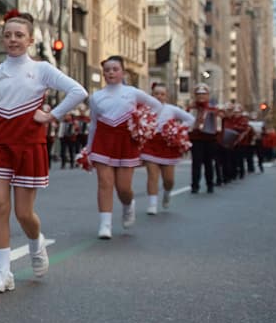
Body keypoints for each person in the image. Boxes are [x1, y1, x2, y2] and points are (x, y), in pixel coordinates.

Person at [0, 10, 86, 292]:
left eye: (19, 35)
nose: (13, 40)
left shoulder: (41, 70)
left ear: (30, 40)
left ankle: (36, 243)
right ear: (2, 39)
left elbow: (78, 92)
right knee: (1, 206)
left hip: (28, 144)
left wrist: (52, 115)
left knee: (24, 213)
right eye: (8, 35)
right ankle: (3, 273)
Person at [84, 56, 163, 239]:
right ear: (103, 73)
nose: (111, 72)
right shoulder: (96, 97)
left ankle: (128, 205)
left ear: (123, 72)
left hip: (126, 142)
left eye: (115, 69)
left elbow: (157, 107)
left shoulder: (133, 93)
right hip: (103, 141)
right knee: (104, 183)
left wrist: (142, 123)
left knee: (123, 187)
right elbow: (94, 124)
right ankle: (105, 224)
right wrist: (89, 148)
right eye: (107, 70)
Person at [139, 82, 193, 215]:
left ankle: (167, 193)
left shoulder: (172, 109)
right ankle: (152, 204)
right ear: (152, 95)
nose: (159, 96)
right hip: (150, 143)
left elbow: (190, 119)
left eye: (162, 94)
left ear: (166, 96)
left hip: (167, 145)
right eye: (156, 93)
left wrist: (178, 129)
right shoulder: (145, 109)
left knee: (169, 180)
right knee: (152, 175)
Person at [187, 84, 220, 193]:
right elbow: (186, 122)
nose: (201, 96)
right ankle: (194, 185)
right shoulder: (191, 108)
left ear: (208, 95)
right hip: (196, 138)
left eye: (204, 94)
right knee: (196, 162)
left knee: (208, 163)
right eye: (198, 94)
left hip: (210, 139)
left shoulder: (213, 108)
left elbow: (218, 124)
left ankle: (210, 184)